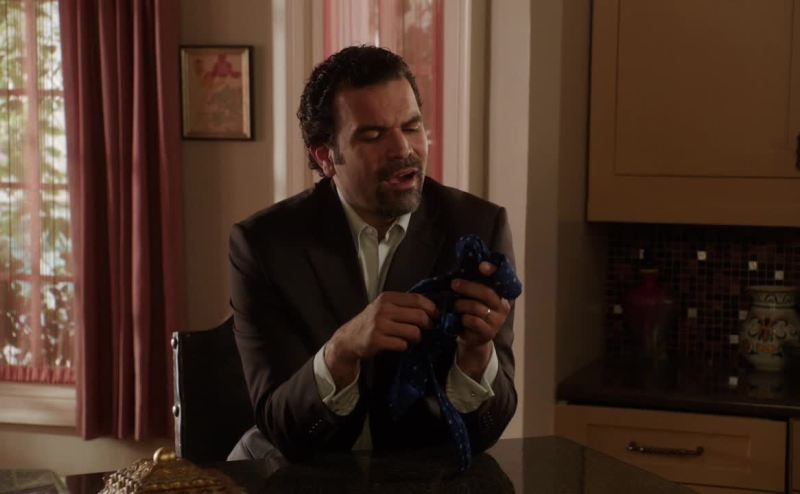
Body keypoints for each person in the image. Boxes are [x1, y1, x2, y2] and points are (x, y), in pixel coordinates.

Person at [228, 45, 517, 463]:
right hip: (300, 472)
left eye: (412, 127)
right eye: (373, 135)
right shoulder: (264, 244)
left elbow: (490, 429)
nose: (403, 149)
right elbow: (281, 424)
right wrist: (340, 353)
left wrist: (477, 356)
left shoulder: (478, 227)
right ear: (326, 156)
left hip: (424, 478)